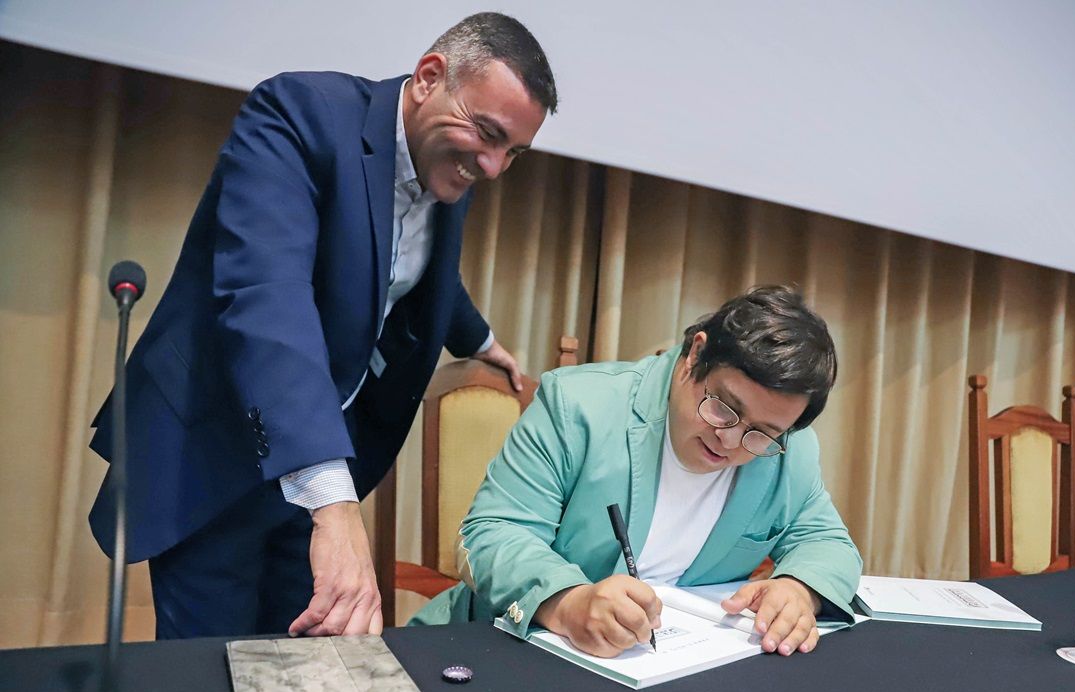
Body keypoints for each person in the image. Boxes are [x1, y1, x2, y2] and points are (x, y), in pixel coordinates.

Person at [87, 13, 558, 639]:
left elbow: (409, 266)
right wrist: (334, 507)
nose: (495, 167)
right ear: (428, 77)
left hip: (319, 468)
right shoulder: (298, 113)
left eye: (513, 152)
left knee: (297, 672)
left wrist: (481, 340)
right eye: (489, 134)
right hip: (219, 448)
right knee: (210, 677)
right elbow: (267, 300)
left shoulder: (453, 158)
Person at [413, 286, 862, 658]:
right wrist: (567, 602)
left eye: (760, 433)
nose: (730, 441)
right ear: (695, 355)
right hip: (504, 652)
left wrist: (799, 588)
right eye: (724, 408)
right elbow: (491, 533)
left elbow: (826, 543)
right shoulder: (580, 406)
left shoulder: (788, 452)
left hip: (667, 671)